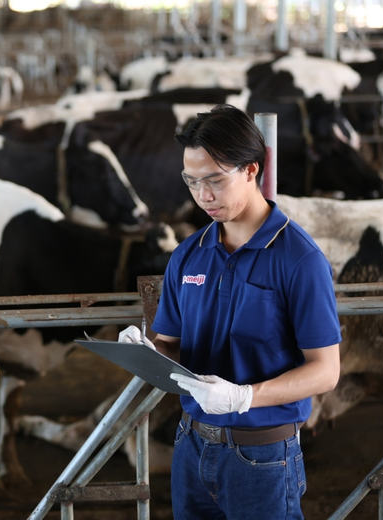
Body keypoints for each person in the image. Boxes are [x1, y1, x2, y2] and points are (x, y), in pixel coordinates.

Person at [119, 104, 341, 519]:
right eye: (191, 181)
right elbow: (169, 345)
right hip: (192, 446)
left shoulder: (299, 259)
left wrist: (244, 397)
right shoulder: (187, 255)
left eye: (215, 180)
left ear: (252, 170)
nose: (203, 195)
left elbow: (326, 371)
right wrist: (144, 353)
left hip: (263, 455)